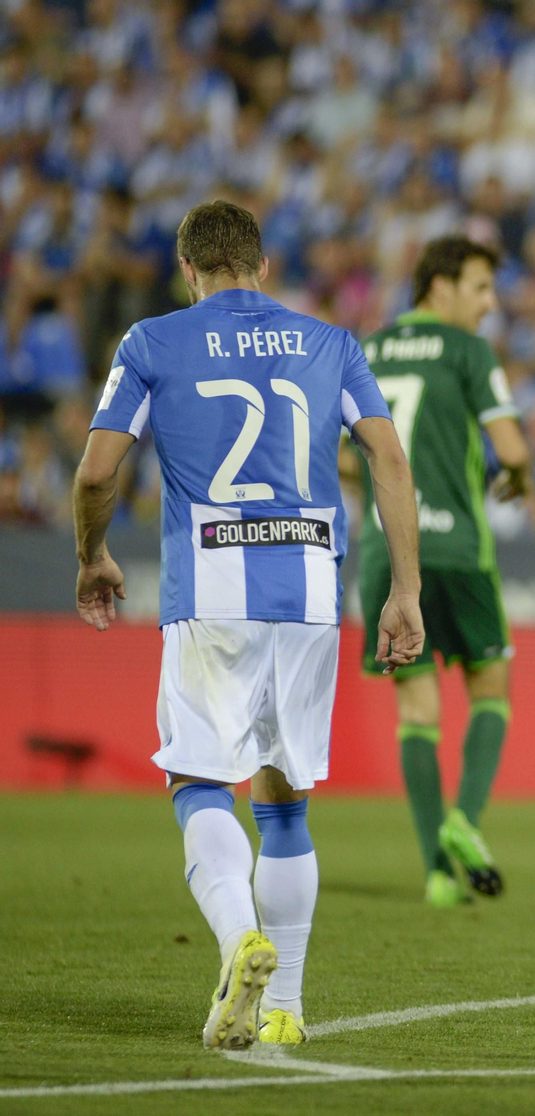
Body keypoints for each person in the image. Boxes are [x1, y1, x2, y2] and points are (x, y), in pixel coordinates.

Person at [71, 200, 423, 1048]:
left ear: (187, 271)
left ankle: (238, 941)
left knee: (197, 782)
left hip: (213, 592)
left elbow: (94, 473)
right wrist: (404, 588)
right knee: (285, 804)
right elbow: (388, 457)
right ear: (262, 267)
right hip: (309, 594)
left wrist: (93, 555)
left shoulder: (153, 342)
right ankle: (286, 1013)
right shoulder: (330, 342)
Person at [348, 236, 532, 908]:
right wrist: (520, 474)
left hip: (388, 555)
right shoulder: (468, 351)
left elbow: (347, 460)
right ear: (441, 286)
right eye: (481, 287)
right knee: (490, 690)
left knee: (417, 712)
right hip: (457, 553)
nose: (490, 304)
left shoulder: (369, 350)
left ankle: (434, 873)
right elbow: (510, 446)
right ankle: (464, 820)